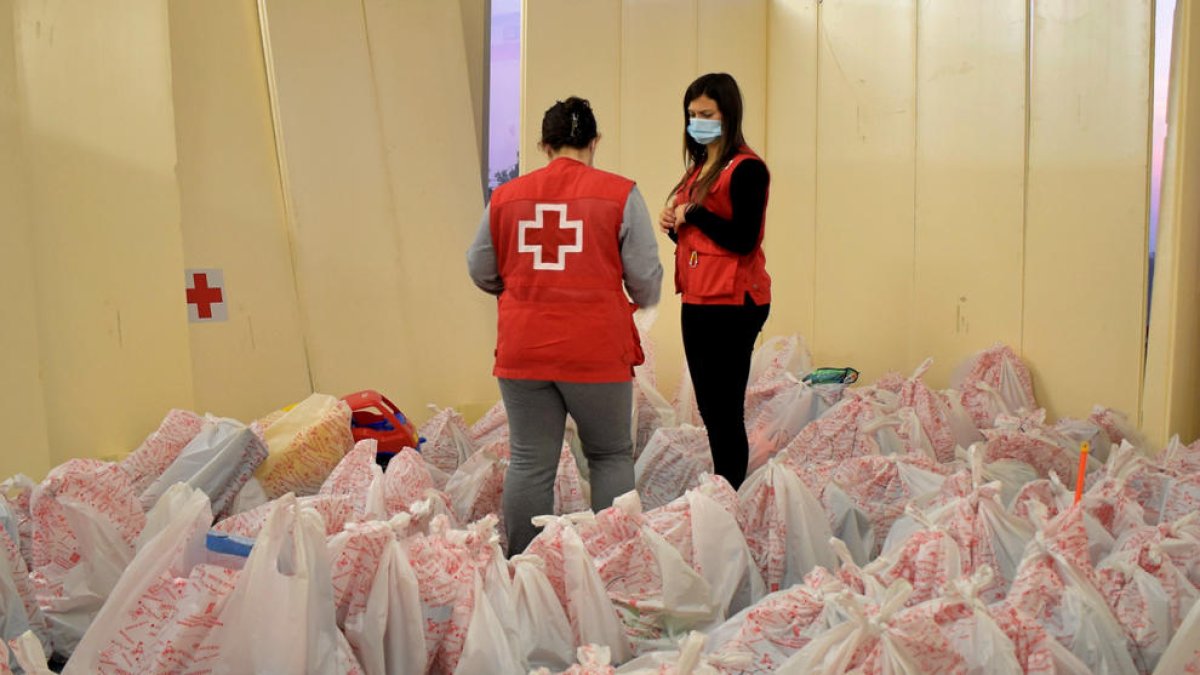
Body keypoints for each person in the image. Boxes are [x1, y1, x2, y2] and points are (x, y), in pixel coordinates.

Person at [467, 96, 663, 555]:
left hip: (523, 350)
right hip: (595, 352)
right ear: (594, 142)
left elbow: (479, 266)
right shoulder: (620, 193)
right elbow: (646, 276)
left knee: (531, 463)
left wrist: (517, 289)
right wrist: (637, 300)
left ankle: (523, 570)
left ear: (543, 144)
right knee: (610, 455)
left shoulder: (506, 196)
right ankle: (613, 562)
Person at [659, 73, 770, 490]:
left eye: (706, 114)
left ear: (728, 114)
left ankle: (730, 494)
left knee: (725, 409)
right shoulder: (700, 167)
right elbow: (698, 237)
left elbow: (742, 239)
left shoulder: (747, 170)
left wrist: (695, 213)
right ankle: (724, 486)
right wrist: (673, 224)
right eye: (691, 115)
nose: (697, 122)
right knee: (709, 408)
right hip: (699, 298)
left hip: (735, 302)